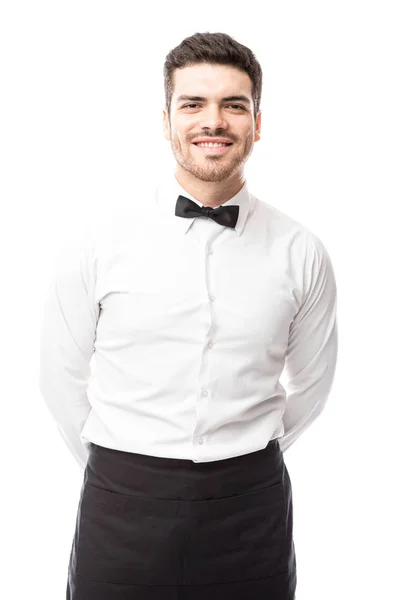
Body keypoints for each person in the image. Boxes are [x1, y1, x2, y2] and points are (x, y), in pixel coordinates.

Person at [39, 31, 338, 600]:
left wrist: (240, 459)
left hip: (252, 511)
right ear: (166, 119)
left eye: (234, 104)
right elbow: (59, 380)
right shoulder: (98, 241)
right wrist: (127, 468)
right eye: (193, 103)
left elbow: (313, 388)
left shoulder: (301, 250)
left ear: (256, 121)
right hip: (120, 505)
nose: (214, 121)